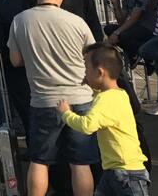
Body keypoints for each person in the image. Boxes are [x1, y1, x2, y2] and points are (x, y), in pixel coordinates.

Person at [8, 0, 98, 196]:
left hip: (44, 100)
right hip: (80, 99)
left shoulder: (20, 20)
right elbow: (92, 58)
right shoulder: (77, 22)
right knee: (80, 163)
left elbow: (15, 61)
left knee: (40, 160)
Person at [58, 44, 150, 196]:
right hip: (114, 171)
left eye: (86, 69)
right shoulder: (119, 94)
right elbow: (101, 98)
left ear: (100, 72)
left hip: (127, 174)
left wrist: (66, 113)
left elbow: (87, 125)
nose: (84, 73)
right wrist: (90, 85)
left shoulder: (105, 99)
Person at [0, 0, 31, 133]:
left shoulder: (0, 8)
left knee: (19, 100)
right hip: (35, 60)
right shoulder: (29, 4)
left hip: (11, 61)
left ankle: (23, 130)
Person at [104, 0, 155, 64]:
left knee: (122, 35)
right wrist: (116, 5)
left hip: (146, 28)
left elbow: (133, 19)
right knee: (108, 28)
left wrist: (116, 32)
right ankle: (135, 52)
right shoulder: (126, 0)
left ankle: (137, 53)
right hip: (135, 28)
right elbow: (121, 22)